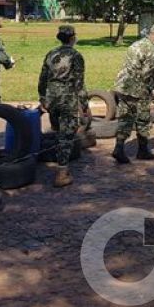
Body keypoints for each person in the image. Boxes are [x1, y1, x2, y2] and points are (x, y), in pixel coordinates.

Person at [38, 25, 87, 187]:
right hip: (67, 99)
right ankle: (61, 173)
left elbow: (42, 78)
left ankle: (58, 161)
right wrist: (84, 105)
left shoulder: (51, 54)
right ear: (72, 37)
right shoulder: (76, 56)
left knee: (58, 130)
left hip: (52, 98)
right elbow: (79, 83)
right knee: (66, 135)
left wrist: (42, 98)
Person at [112, 23, 154, 163]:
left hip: (123, 86)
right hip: (137, 90)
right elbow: (146, 74)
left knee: (125, 117)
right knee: (143, 118)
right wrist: (152, 90)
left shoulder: (137, 44)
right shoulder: (151, 50)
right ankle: (142, 151)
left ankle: (119, 148)